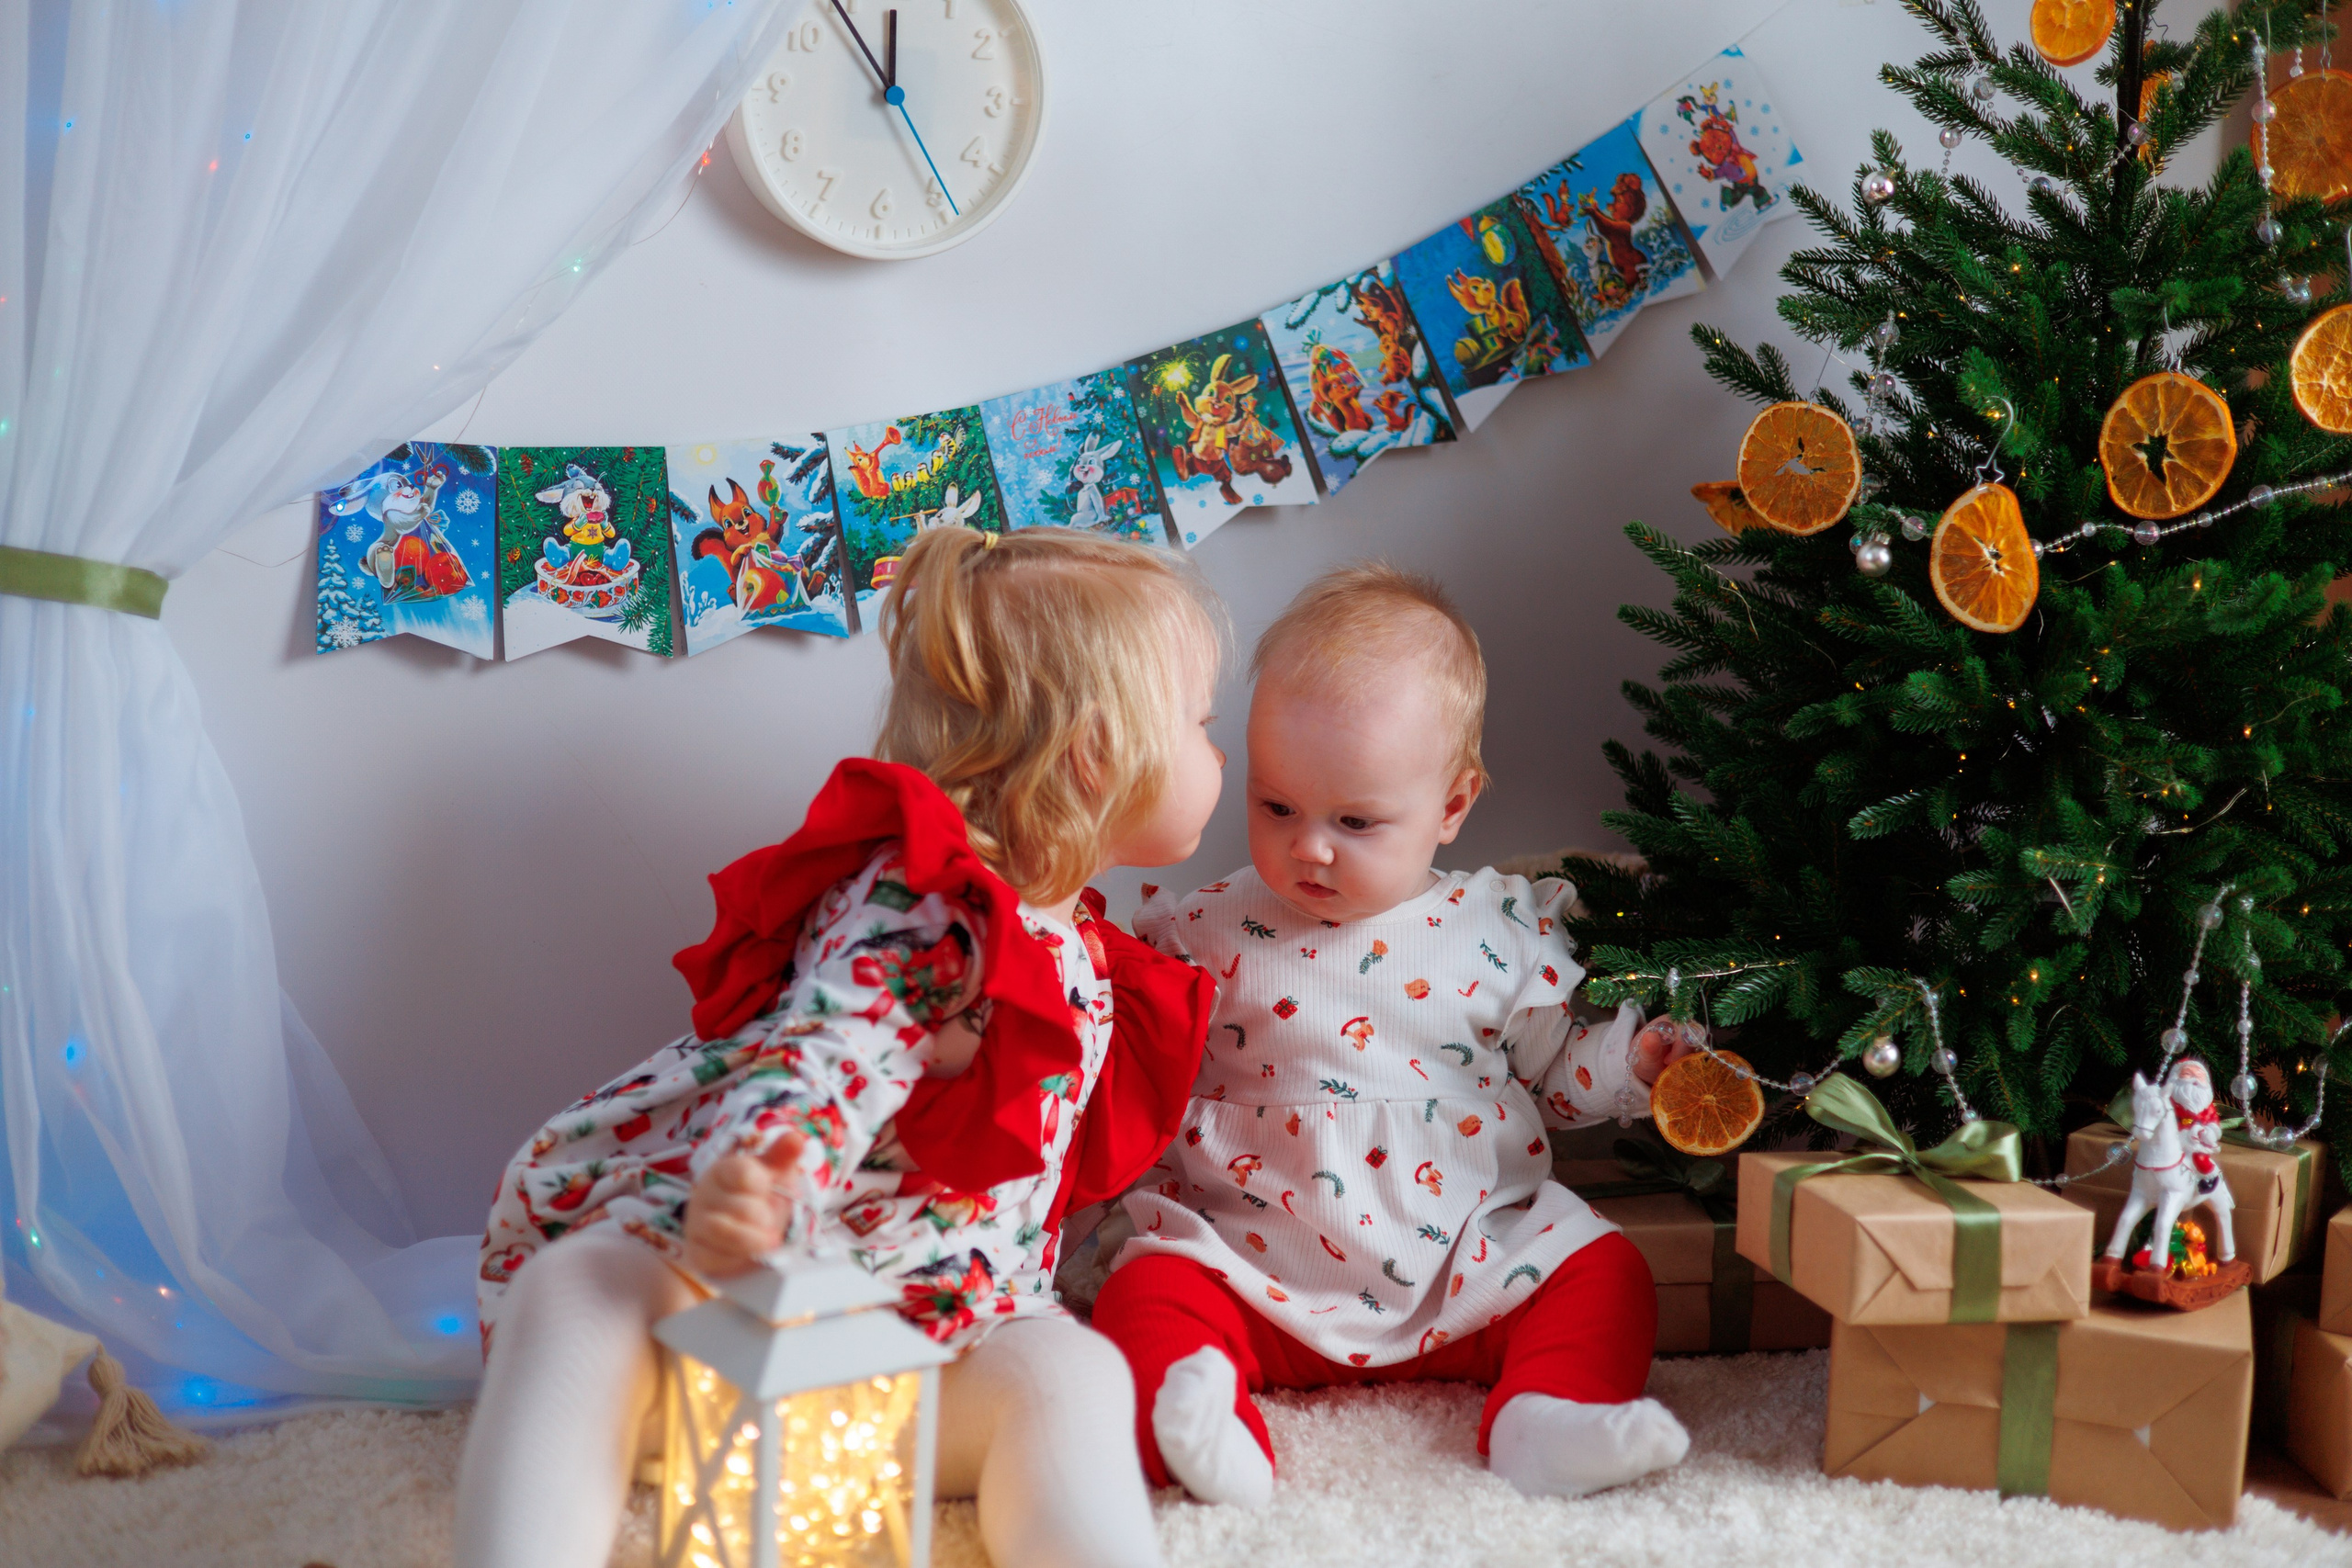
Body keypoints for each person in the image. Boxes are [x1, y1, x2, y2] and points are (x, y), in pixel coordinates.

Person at [456, 526, 1229, 1568]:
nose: (1216, 752)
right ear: (1098, 753)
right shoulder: (925, 906)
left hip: (908, 1352)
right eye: (1202, 722)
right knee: (583, 1290)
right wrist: (764, 1169)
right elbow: (829, 1048)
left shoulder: (1082, 943)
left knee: (1074, 1375)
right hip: (730, 1327)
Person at [1091, 561, 1698, 1509]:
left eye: (1355, 820)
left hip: (1464, 1272)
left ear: (1452, 805)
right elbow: (1136, 1073)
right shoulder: (1201, 934)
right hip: (1254, 1274)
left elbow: (1553, 1087)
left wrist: (1631, 1063)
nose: (1309, 847)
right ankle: (1206, 1432)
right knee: (1142, 1293)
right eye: (1275, 806)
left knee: (1604, 1269)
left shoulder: (1499, 932)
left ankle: (1546, 1413)